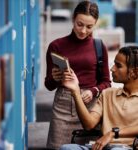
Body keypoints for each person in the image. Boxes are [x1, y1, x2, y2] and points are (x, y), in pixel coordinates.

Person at [44, 1, 111, 149]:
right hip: (63, 104)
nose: (83, 30)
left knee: (89, 147)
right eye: (79, 24)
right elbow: (48, 85)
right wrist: (55, 78)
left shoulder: (99, 47)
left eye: (89, 27)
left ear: (95, 24)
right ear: (73, 19)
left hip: (90, 107)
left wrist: (94, 91)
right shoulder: (56, 46)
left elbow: (106, 81)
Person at [60, 46, 138, 150]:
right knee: (67, 148)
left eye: (118, 66)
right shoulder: (107, 94)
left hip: (127, 147)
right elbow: (88, 124)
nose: (112, 68)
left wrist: (112, 133)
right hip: (101, 147)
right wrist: (75, 92)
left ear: (135, 72)